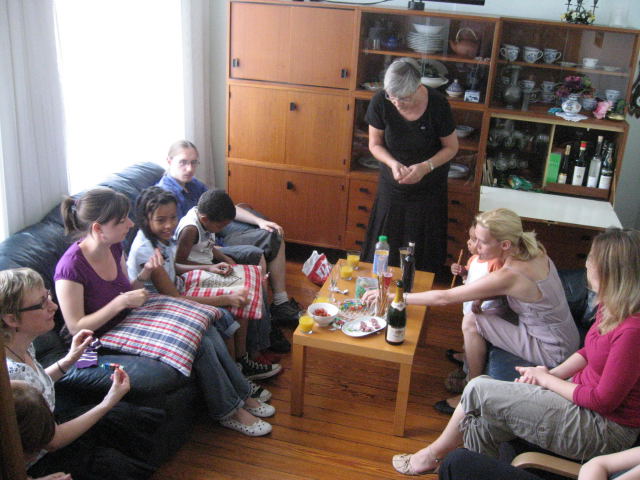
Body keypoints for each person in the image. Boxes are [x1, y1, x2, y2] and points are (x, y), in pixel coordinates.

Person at [390, 228, 640, 475]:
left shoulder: (632, 331)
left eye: (591, 259)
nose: (586, 264)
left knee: (478, 389)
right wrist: (551, 373)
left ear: (611, 270)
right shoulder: (611, 306)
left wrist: (548, 381)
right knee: (480, 420)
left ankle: (432, 455)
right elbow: (588, 351)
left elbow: (602, 401)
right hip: (579, 399)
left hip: (603, 429)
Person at [54, 187, 275, 436]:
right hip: (93, 344)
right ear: (98, 228)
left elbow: (129, 290)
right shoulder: (70, 268)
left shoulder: (113, 246)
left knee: (204, 328)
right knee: (198, 342)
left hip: (127, 319)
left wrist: (144, 274)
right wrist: (120, 302)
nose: (130, 224)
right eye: (122, 220)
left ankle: (242, 394)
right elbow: (76, 326)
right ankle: (229, 411)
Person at [365, 208, 580, 414]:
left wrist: (396, 296)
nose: (475, 246)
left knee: (471, 321)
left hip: (552, 350)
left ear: (505, 244)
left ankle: (470, 391)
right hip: (566, 336)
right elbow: (525, 294)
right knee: (480, 313)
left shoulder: (511, 274)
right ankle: (469, 362)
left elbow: (444, 298)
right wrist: (484, 295)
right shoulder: (533, 250)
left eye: (482, 242)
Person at [1, 267, 154, 479]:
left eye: (48, 296)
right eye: (42, 303)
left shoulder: (22, 344)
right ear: (12, 319)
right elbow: (52, 441)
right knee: (113, 463)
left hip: (51, 423)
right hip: (38, 458)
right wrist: (108, 401)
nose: (53, 306)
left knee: (124, 416)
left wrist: (69, 359)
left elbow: (36, 382)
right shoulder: (10, 375)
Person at [127, 186, 280, 383]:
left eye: (173, 217)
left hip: (178, 287)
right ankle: (237, 374)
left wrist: (209, 268)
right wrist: (226, 298)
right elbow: (175, 298)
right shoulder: (148, 249)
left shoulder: (160, 237)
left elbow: (174, 266)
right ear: (145, 219)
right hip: (162, 302)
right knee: (229, 312)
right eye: (161, 220)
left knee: (244, 296)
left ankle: (244, 361)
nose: (170, 225)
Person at [156, 140, 301, 327]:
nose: (190, 168)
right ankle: (270, 314)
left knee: (272, 231)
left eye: (194, 162)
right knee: (263, 247)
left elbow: (224, 207)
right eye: (183, 162)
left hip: (213, 232)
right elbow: (178, 247)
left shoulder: (193, 184)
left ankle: (280, 302)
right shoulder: (166, 197)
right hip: (208, 239)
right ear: (169, 161)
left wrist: (259, 222)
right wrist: (215, 252)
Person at [361, 57, 459, 273]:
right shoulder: (381, 101)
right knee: (385, 242)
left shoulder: (438, 105)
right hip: (393, 184)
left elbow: (451, 147)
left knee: (422, 249)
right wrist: (392, 163)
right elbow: (375, 144)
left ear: (418, 87)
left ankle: (419, 288)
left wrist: (425, 167)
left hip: (429, 187)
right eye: (392, 96)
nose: (396, 103)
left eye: (403, 98)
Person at [439, 219, 506, 414]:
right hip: (469, 307)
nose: (470, 243)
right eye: (470, 238)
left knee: (475, 335)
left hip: (485, 310)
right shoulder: (473, 259)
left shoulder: (496, 263)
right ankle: (466, 357)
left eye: (475, 239)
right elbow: (468, 277)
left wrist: (480, 299)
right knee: (465, 333)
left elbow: (498, 289)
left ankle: (470, 374)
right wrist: (461, 272)